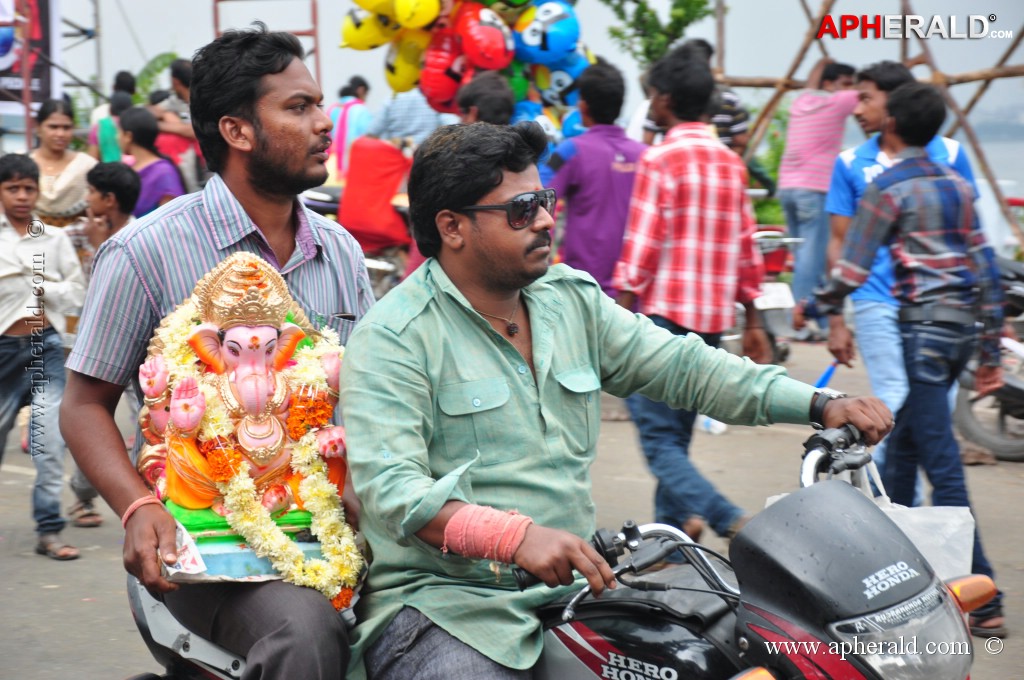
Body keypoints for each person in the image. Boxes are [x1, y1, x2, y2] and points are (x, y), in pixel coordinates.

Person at [337, 120, 892, 679]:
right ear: (452, 227)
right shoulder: (395, 337)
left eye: (545, 200)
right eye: (521, 209)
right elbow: (395, 495)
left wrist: (820, 402)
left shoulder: (570, 300)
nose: (547, 220)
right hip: (449, 607)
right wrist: (515, 537)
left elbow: (685, 366)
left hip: (578, 592)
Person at [61, 24, 374, 678]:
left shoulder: (340, 250)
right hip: (212, 550)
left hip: (334, 529)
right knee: (308, 635)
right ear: (237, 131)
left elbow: (372, 395)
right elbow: (84, 404)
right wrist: (138, 509)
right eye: (298, 107)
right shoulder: (145, 252)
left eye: (318, 104)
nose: (324, 123)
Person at [815, 82, 1006, 639]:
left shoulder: (887, 187)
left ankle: (984, 598)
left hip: (920, 332)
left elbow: (852, 268)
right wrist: (990, 351)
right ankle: (893, 593)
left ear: (892, 121)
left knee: (942, 465)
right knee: (899, 460)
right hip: (960, 333)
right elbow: (988, 269)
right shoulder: (956, 183)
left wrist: (819, 305)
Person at [612, 55, 769, 542]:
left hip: (662, 320)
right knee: (677, 438)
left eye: (653, 94)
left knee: (660, 442)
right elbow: (748, 246)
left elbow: (643, 244)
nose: (650, 103)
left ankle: (726, 517)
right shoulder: (731, 163)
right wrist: (756, 319)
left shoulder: (659, 158)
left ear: (668, 101)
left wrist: (616, 312)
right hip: (711, 325)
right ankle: (673, 541)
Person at [816, 60, 978, 507]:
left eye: (866, 97)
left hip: (935, 310)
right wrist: (834, 319)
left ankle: (899, 510)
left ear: (896, 107)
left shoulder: (948, 154)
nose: (856, 107)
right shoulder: (851, 162)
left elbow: (969, 235)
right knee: (894, 399)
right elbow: (839, 243)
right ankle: (918, 507)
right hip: (874, 300)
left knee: (925, 413)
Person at [0, 154, 86, 559]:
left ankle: (50, 530)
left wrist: (40, 286)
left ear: (38, 192)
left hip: (45, 348)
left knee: (49, 441)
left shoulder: (52, 240)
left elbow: (77, 293)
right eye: (12, 188)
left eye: (28, 188)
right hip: (3, 350)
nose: (21, 196)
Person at [62, 161, 141, 529]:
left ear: (108, 200)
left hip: (138, 348)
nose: (86, 199)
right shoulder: (76, 235)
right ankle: (82, 494)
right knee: (92, 417)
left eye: (91, 193)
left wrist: (100, 250)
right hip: (96, 346)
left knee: (146, 418)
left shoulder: (143, 238)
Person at [545, 61, 645, 298]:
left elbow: (541, 200)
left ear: (583, 106)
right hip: (633, 299)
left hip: (582, 295)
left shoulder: (570, 151)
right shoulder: (646, 155)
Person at [778, 57, 857, 325]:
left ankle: (821, 320)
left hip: (787, 187)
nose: (850, 89)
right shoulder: (839, 102)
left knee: (806, 256)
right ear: (829, 84)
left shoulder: (802, 101)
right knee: (812, 260)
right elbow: (873, 92)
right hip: (814, 188)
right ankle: (799, 322)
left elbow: (812, 80)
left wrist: (822, 61)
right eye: (845, 83)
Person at [30, 99, 99, 227]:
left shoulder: (87, 166)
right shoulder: (22, 164)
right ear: (38, 128)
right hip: (29, 240)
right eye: (53, 127)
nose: (60, 134)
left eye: (66, 128)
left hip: (76, 242)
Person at [118, 106, 187, 216]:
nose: (116, 137)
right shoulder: (130, 168)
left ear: (128, 136)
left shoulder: (164, 173)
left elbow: (172, 220)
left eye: (119, 132)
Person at [366, 87, 451, 147]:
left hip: (397, 163)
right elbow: (450, 127)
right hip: (425, 160)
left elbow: (371, 134)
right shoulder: (433, 100)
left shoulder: (392, 99)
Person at [326, 75, 373, 181]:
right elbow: (368, 138)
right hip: (354, 166)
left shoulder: (332, 109)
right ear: (361, 90)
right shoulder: (361, 110)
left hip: (331, 166)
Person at [86, 91, 134, 162]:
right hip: (133, 170)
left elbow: (92, 159)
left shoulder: (99, 126)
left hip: (108, 170)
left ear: (110, 109)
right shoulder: (135, 125)